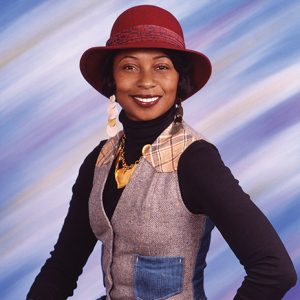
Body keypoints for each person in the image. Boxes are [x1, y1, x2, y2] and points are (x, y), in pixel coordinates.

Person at [27, 5, 297, 300]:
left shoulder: (195, 161)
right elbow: (62, 268)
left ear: (178, 81)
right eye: (129, 66)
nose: (146, 81)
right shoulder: (98, 160)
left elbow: (275, 270)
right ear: (112, 80)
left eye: (162, 66)